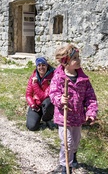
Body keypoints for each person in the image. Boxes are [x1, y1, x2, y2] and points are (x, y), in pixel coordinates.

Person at [49, 44, 98, 174]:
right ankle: (65, 166)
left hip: (78, 117)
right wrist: (60, 100)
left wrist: (91, 112)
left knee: (75, 143)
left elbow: (90, 97)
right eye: (75, 58)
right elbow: (53, 93)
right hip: (63, 117)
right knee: (67, 143)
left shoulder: (83, 79)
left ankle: (72, 156)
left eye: (78, 57)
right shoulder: (59, 77)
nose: (79, 60)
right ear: (66, 62)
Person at [25, 57, 55, 131]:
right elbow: (28, 94)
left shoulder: (53, 77)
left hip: (47, 105)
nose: (41, 67)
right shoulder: (33, 76)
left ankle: (47, 119)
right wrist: (32, 104)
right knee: (31, 126)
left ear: (47, 66)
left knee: (48, 102)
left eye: (43, 65)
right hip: (37, 105)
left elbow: (43, 96)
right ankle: (38, 116)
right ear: (37, 67)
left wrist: (35, 84)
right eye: (39, 65)